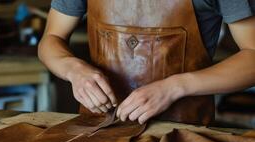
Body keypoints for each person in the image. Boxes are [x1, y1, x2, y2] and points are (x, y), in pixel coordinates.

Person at [38, 0, 255, 125]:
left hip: (182, 136)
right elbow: (51, 39)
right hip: (98, 130)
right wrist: (73, 69)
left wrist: (175, 87)